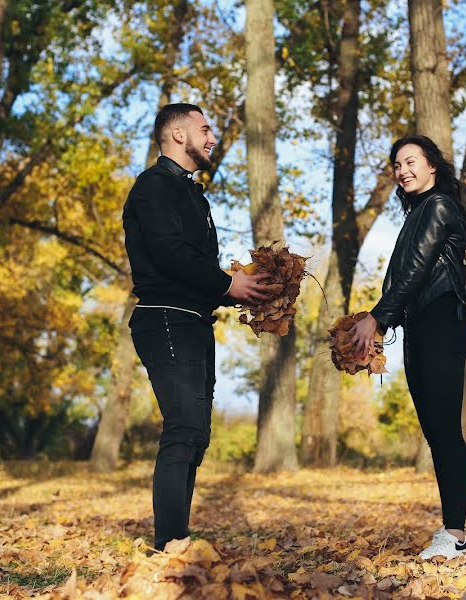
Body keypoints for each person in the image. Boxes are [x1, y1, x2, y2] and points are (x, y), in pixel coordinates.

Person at [122, 103, 270, 550]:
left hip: (194, 321)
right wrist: (228, 283)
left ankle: (176, 539)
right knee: (183, 427)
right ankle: (170, 544)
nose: (212, 138)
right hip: (164, 317)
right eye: (204, 129)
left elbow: (195, 266)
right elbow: (167, 254)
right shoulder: (153, 186)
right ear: (177, 135)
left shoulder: (193, 194)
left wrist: (237, 292)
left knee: (197, 435)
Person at [349, 134, 466, 560]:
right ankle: (452, 531)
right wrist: (383, 322)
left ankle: (455, 533)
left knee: (445, 431)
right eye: (396, 165)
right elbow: (405, 279)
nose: (402, 170)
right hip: (421, 328)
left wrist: (378, 317)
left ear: (432, 166)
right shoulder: (418, 212)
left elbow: (418, 270)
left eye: (410, 162)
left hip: (442, 324)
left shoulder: (438, 206)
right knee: (436, 433)